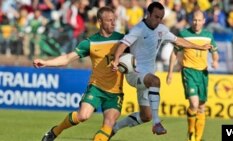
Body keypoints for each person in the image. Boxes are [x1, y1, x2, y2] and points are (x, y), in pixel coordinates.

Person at [111, 1, 212, 137]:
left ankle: (115, 128)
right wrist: (116, 60)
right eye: (156, 17)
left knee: (145, 116)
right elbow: (123, 44)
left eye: (161, 18)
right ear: (148, 14)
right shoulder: (138, 29)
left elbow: (178, 40)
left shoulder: (162, 30)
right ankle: (157, 123)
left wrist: (199, 47)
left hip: (147, 75)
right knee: (156, 81)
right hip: (135, 73)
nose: (158, 20)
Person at [33, 6, 125, 141]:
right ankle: (55, 131)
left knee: (109, 124)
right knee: (83, 116)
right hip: (96, 87)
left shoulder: (123, 40)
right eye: (109, 20)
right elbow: (67, 58)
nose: (113, 23)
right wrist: (46, 62)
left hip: (115, 91)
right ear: (100, 21)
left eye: (114, 20)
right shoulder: (90, 42)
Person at [167, 10, 219, 141]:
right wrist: (170, 72)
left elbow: (214, 51)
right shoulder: (184, 34)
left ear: (204, 21)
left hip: (203, 73)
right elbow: (174, 53)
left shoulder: (208, 35)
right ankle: (191, 133)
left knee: (201, 106)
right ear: (191, 20)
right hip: (189, 71)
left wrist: (215, 60)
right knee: (194, 104)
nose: (196, 23)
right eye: (194, 20)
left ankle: (198, 137)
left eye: (199, 20)